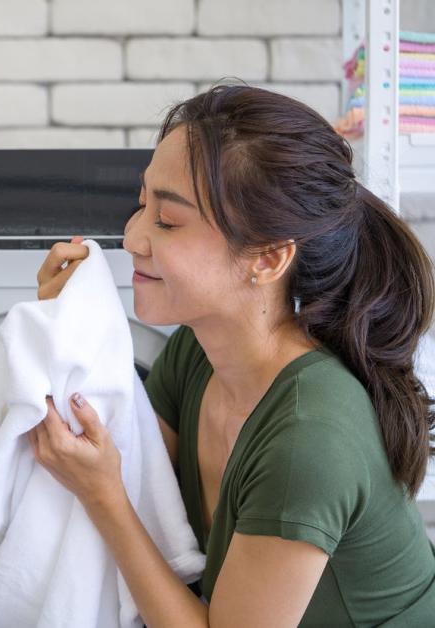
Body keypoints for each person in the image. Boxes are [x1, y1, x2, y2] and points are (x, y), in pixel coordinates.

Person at [29, 84, 435, 627]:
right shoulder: (195, 356)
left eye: (167, 221)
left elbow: (112, 488)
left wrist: (102, 496)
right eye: (142, 203)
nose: (131, 237)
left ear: (267, 258)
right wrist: (65, 330)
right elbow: (120, 455)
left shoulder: (307, 439)